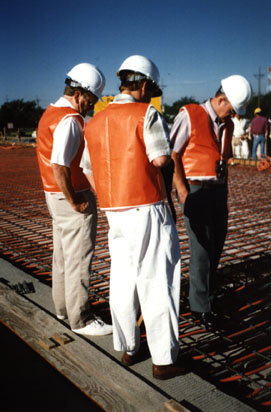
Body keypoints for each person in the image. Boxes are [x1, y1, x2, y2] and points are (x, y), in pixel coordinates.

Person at [82, 55, 184, 380]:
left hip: (114, 210)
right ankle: (163, 359)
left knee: (122, 280)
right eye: (151, 89)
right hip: (147, 206)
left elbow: (87, 168)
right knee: (158, 281)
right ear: (143, 85)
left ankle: (127, 348)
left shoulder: (94, 121)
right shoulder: (146, 113)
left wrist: (109, 197)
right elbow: (160, 159)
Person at [37, 63, 112, 336]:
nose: (91, 107)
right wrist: (75, 201)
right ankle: (81, 319)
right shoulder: (70, 119)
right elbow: (60, 165)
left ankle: (62, 309)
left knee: (63, 257)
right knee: (79, 258)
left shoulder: (50, 113)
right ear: (80, 93)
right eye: (91, 100)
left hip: (53, 195)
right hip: (71, 196)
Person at [170, 75, 252, 328]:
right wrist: (183, 194)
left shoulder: (225, 125)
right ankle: (199, 307)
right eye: (231, 109)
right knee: (202, 250)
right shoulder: (190, 114)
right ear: (220, 99)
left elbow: (222, 156)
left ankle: (206, 294)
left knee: (216, 246)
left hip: (217, 190)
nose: (233, 115)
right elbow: (173, 154)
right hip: (195, 190)